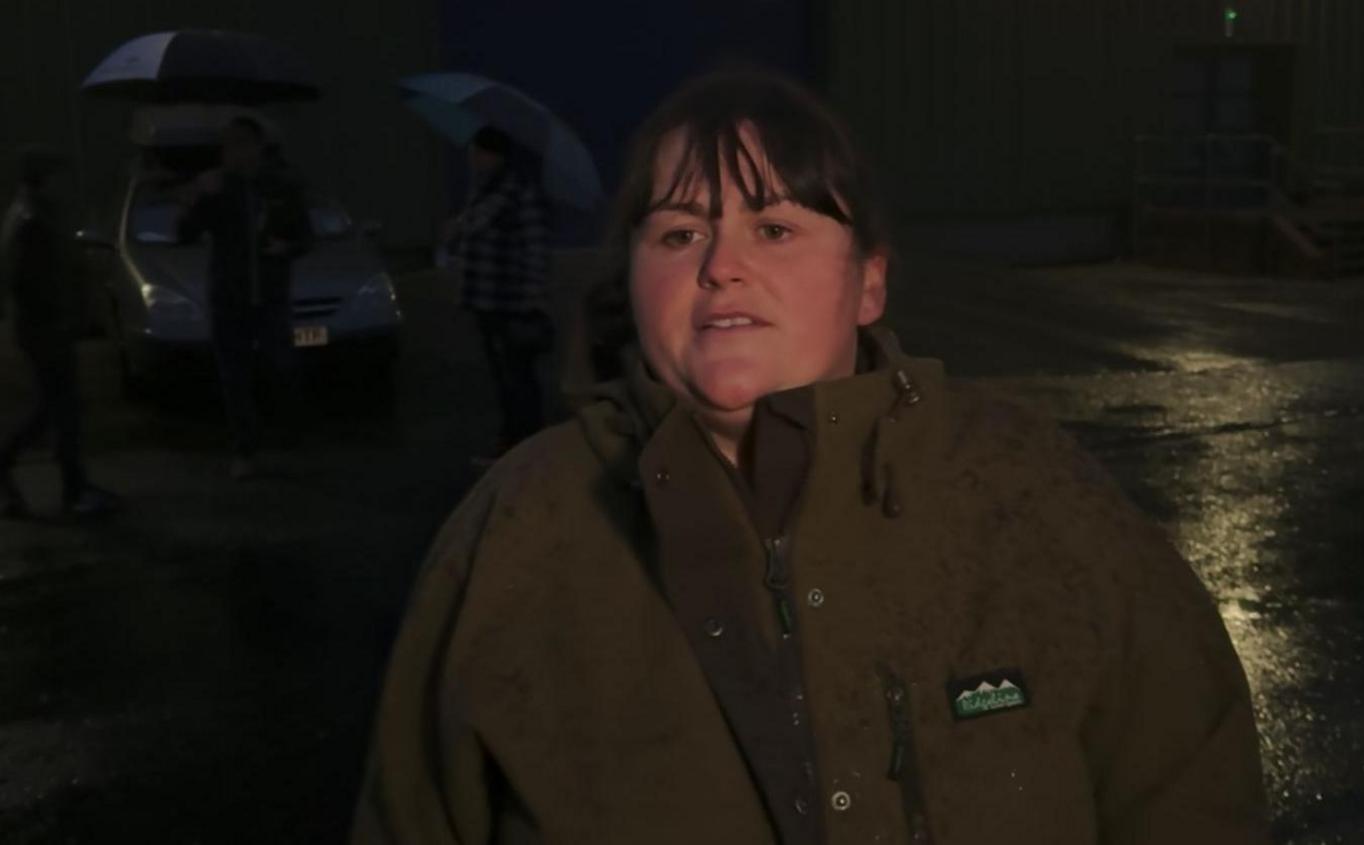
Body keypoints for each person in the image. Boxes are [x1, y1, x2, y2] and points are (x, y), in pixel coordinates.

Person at [353, 72, 1270, 844]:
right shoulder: (519, 527)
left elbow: (1194, 789)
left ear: (869, 281)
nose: (720, 265)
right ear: (630, 280)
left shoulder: (1034, 490)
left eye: (776, 227)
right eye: (678, 233)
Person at [178, 116, 312, 480]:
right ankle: (244, 449)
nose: (233, 152)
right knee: (233, 376)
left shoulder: (281, 185)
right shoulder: (218, 188)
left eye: (241, 143)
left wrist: (287, 246)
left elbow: (305, 236)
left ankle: (289, 435)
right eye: (227, 145)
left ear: (258, 146)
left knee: (281, 366)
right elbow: (185, 233)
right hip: (230, 296)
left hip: (270, 296)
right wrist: (193, 199)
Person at [0, 147, 117, 519]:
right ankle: (72, 487)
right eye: (58, 176)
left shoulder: (32, 214)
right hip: (45, 328)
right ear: (45, 179)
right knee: (60, 408)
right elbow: (30, 278)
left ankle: (74, 484)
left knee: (57, 408)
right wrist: (62, 315)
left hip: (45, 327)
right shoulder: (34, 220)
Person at [445, 126, 553, 462]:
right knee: (504, 375)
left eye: (478, 153)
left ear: (494, 155)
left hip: (510, 300)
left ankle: (525, 442)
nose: (473, 160)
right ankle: (515, 439)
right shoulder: (484, 190)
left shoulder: (515, 191)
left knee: (516, 375)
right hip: (487, 299)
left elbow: (535, 248)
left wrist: (533, 296)